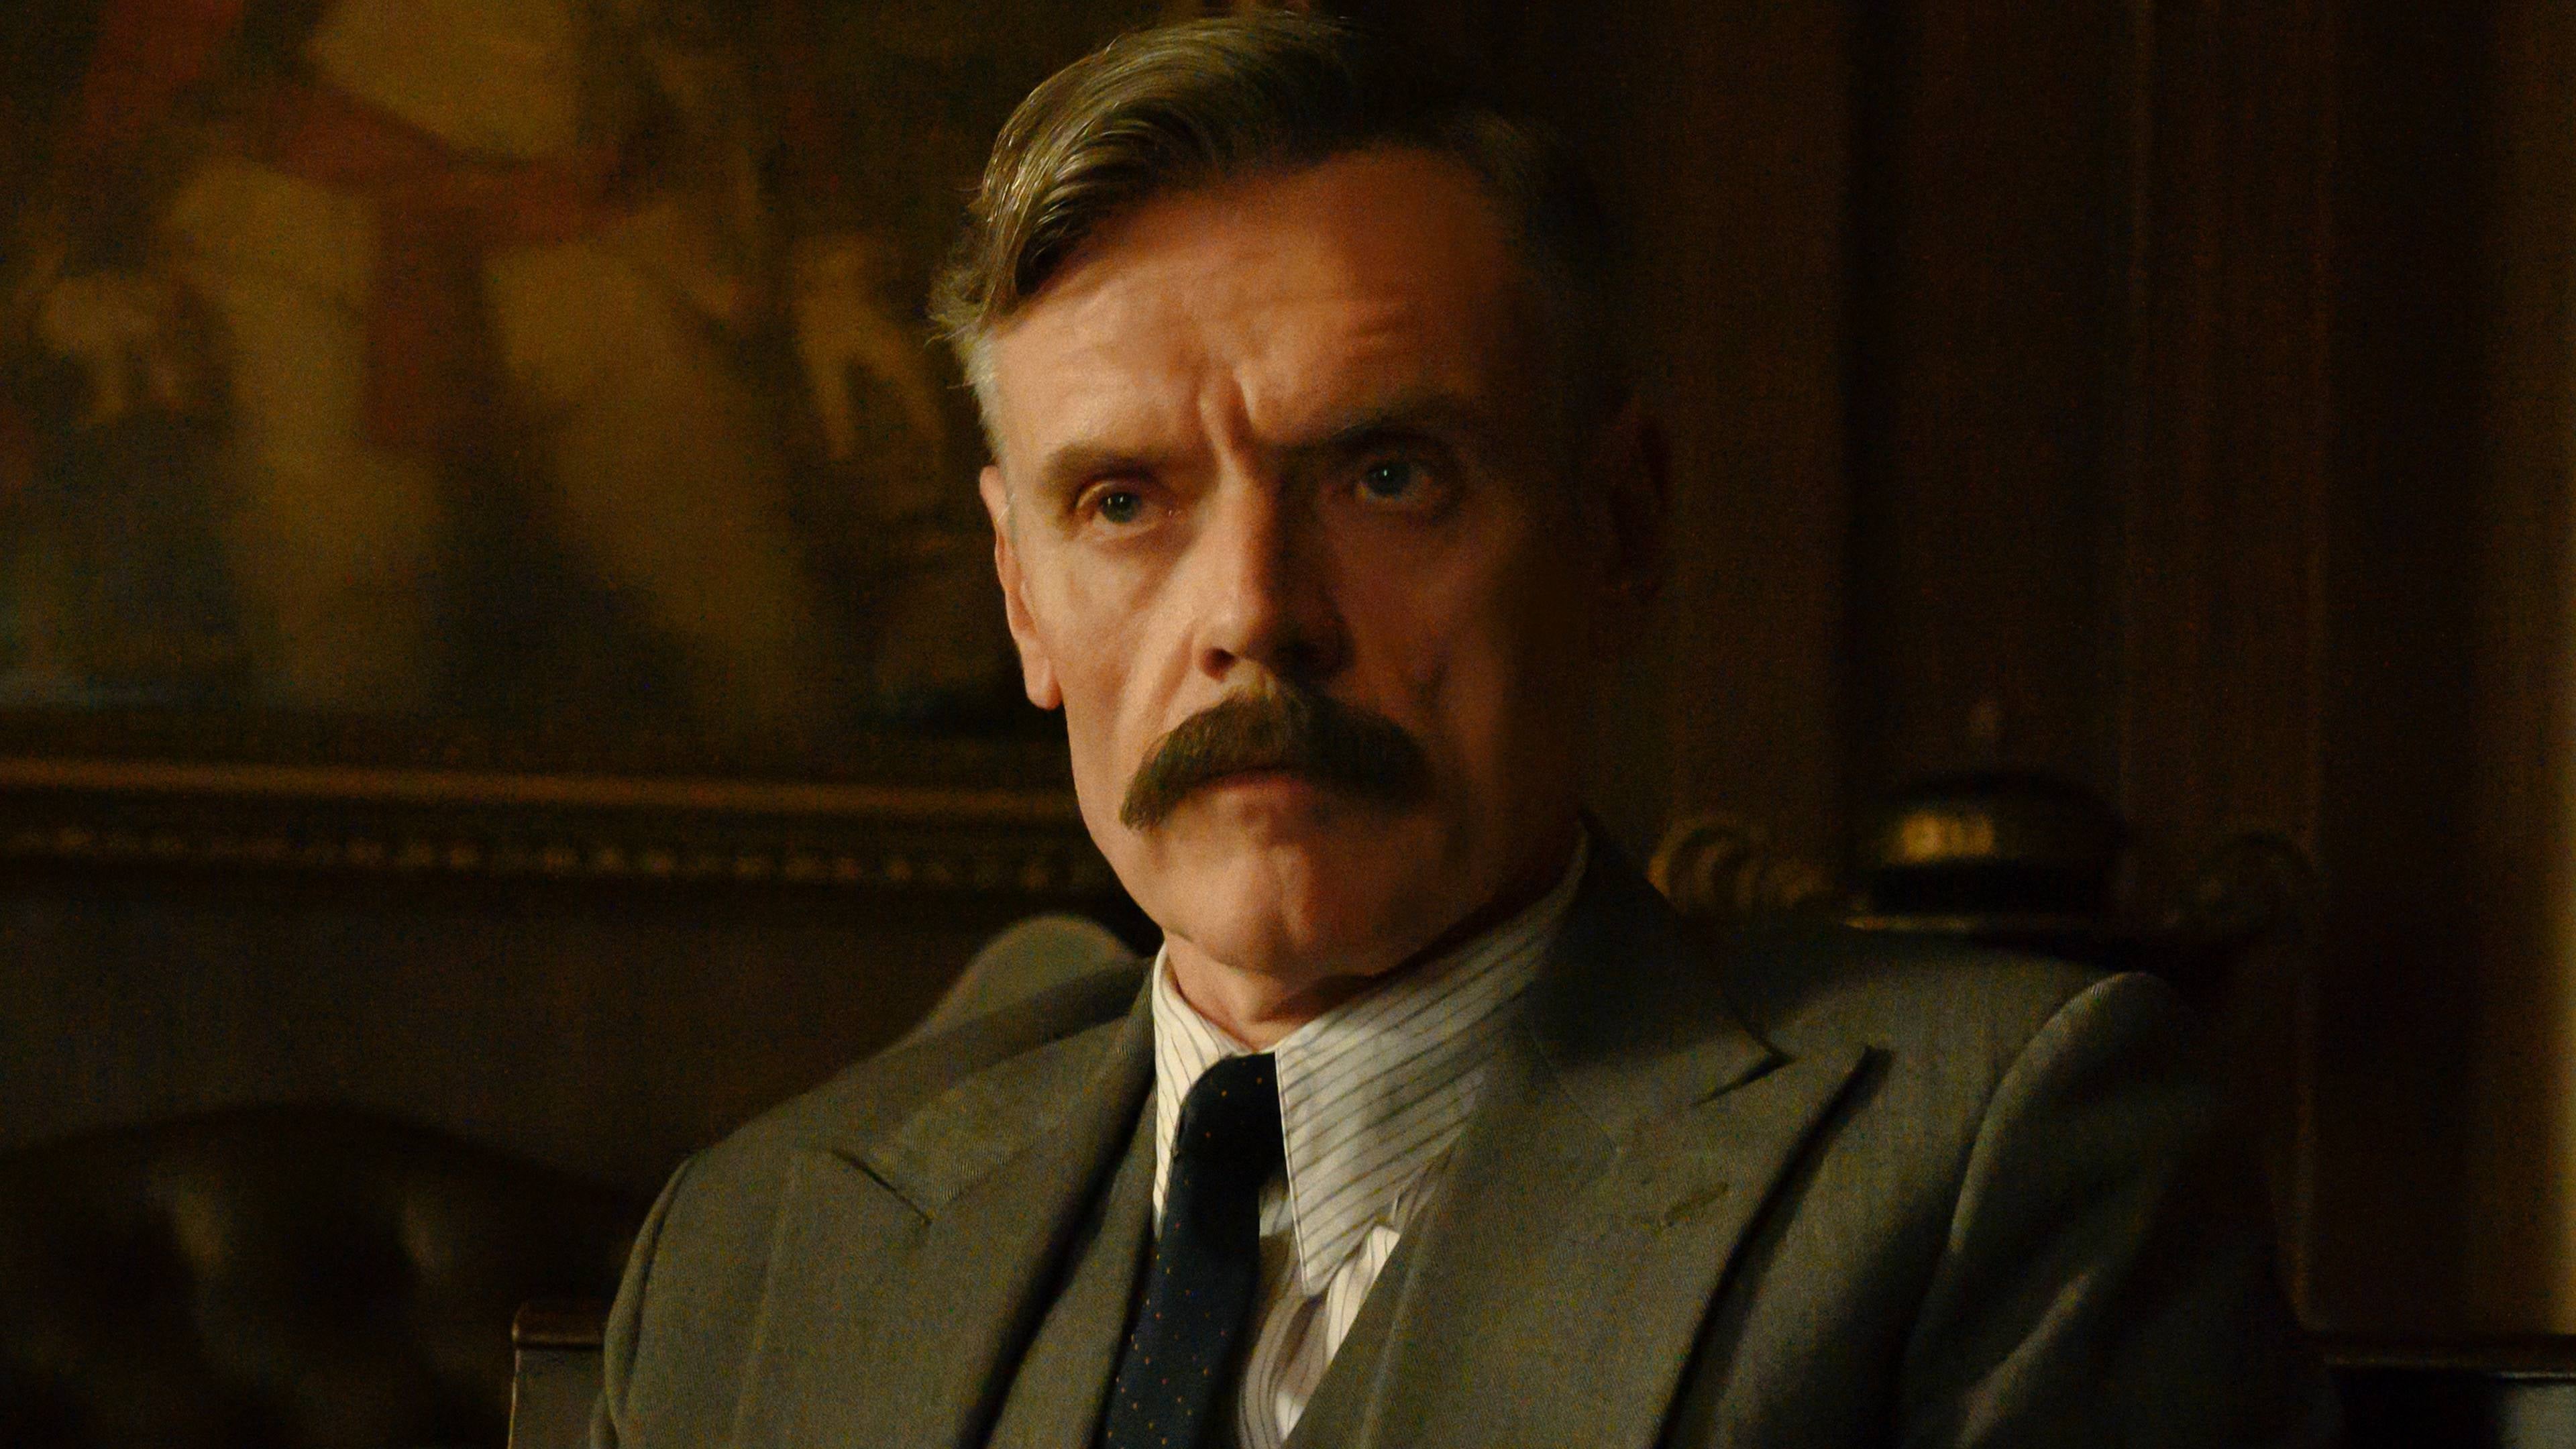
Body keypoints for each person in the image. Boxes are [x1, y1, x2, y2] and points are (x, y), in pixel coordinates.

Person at [593, 13, 2337, 1446]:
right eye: (1124, 502)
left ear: (1618, 528)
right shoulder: (759, 1253)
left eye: (1386, 476)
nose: (1255, 612)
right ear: (1022, 598)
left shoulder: (1990, 1166)